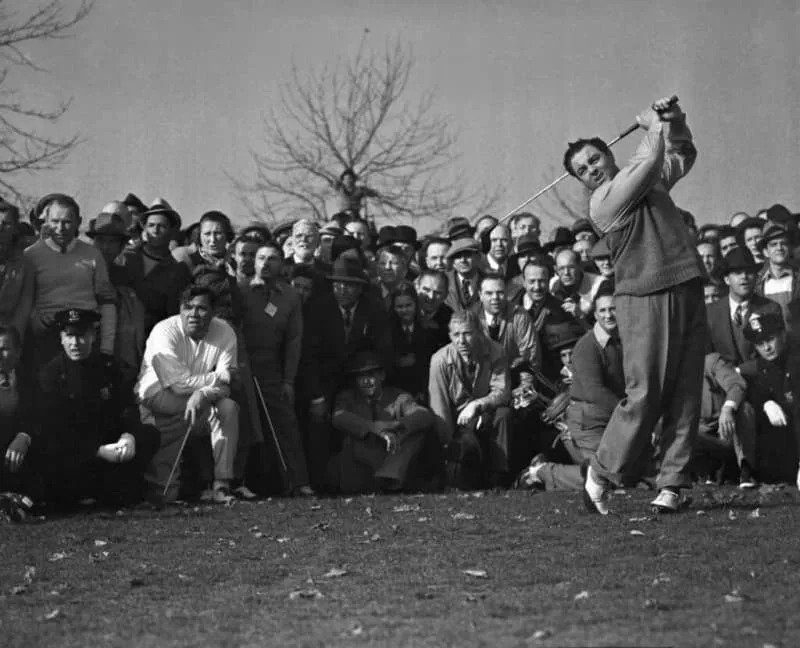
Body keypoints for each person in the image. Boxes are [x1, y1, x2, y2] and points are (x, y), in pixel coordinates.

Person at [563, 94, 706, 514]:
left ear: (608, 153)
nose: (592, 170)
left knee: (685, 393)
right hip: (642, 297)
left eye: (594, 159)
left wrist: (674, 120)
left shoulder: (645, 178)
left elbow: (682, 153)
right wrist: (652, 125)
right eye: (583, 170)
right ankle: (602, 471)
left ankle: (672, 484)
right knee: (645, 394)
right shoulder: (604, 202)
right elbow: (647, 164)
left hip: (686, 282)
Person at [34, 309, 159, 507]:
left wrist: (129, 436)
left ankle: (124, 490)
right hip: (76, 454)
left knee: (149, 434)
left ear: (92, 336)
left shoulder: (109, 367)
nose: (75, 343)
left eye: (81, 336)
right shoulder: (50, 374)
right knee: (49, 446)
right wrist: (96, 451)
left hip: (110, 445)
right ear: (61, 338)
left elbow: (126, 407)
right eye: (70, 336)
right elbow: (54, 429)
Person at [135, 286, 239, 504]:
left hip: (197, 400)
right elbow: (178, 385)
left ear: (213, 312)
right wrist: (213, 381)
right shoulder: (164, 331)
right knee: (188, 405)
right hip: (154, 396)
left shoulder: (225, 332)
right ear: (180, 309)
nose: (193, 314)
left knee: (228, 407)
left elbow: (229, 381)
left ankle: (222, 484)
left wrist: (202, 393)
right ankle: (163, 483)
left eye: (201, 309)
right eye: (187, 307)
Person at [517, 289, 625, 491]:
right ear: (594, 314)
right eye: (602, 310)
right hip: (590, 422)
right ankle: (543, 472)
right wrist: (628, 413)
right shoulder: (587, 346)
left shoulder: (623, 341)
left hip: (616, 418)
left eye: (613, 309)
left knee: (634, 471)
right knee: (608, 478)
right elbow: (595, 391)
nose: (608, 315)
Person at [241, 242, 314, 497]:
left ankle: (298, 481)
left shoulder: (291, 296)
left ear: (282, 263)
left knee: (285, 424)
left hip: (273, 368)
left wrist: (288, 380)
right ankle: (238, 482)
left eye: (272, 258)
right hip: (241, 365)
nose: (265, 263)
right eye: (261, 258)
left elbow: (294, 341)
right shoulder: (241, 290)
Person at [24, 194, 117, 370]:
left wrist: (106, 348)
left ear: (78, 222)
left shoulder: (92, 254)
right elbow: (24, 301)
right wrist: (38, 324)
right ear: (46, 222)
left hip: (85, 337)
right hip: (46, 337)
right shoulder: (31, 256)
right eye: (55, 221)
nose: (60, 228)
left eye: (67, 222)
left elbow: (107, 302)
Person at [328, 351, 437, 493]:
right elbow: (338, 417)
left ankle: (389, 477)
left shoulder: (398, 396)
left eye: (371, 376)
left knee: (417, 435)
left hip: (392, 458)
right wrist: (375, 429)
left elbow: (424, 415)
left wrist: (396, 426)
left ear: (382, 376)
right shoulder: (347, 398)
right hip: (360, 465)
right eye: (361, 377)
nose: (367, 381)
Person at [428, 310, 511, 489]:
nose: (461, 341)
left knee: (504, 415)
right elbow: (439, 407)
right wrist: (448, 445)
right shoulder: (439, 360)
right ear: (449, 336)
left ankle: (500, 476)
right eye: (456, 335)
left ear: (479, 332)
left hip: (487, 412)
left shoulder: (496, 351)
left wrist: (478, 405)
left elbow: (502, 392)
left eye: (467, 333)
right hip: (458, 420)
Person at [739, 313, 800, 487]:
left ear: (782, 335)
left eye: (770, 339)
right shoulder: (762, 366)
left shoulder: (795, 360)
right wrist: (766, 402)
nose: (766, 348)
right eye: (759, 343)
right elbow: (754, 387)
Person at [124, 201, 191, 336]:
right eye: (151, 225)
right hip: (122, 335)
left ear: (172, 232)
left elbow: (175, 315)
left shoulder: (178, 270)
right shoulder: (127, 257)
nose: (155, 230)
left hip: (155, 337)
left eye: (162, 226)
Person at [706, 248, 782, 365]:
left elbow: (773, 355)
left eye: (749, 272)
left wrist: (741, 370)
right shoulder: (710, 312)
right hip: (724, 381)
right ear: (726, 279)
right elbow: (709, 356)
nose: (744, 277)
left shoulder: (771, 308)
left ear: (756, 277)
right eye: (737, 273)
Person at [693, 352, 757, 487]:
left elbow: (736, 384)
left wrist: (728, 409)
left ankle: (746, 471)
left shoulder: (712, 362)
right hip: (699, 433)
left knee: (745, 408)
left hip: (729, 430)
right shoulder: (671, 372)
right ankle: (706, 472)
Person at [387, 281, 438, 402]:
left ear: (416, 304)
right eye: (399, 307)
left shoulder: (430, 329)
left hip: (425, 389)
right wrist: (397, 361)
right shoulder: (387, 331)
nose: (404, 310)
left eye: (408, 305)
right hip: (395, 391)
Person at [755, 222, 800, 333]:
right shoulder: (758, 283)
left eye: (783, 243)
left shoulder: (798, 278)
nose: (779, 248)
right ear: (766, 251)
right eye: (774, 244)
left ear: (789, 248)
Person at [0, 200, 33, 343]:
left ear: (14, 229)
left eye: (6, 224)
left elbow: (23, 309)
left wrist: (11, 343)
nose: (0, 228)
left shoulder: (24, 265)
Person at [415, 269, 453, 351]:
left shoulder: (452, 321)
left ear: (446, 295)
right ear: (417, 288)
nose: (431, 296)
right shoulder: (403, 311)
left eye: (437, 293)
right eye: (426, 290)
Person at [444, 238, 482, 312]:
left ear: (478, 257)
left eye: (467, 255)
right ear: (453, 262)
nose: (463, 260)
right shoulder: (443, 283)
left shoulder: (489, 280)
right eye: (458, 256)